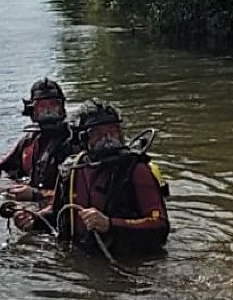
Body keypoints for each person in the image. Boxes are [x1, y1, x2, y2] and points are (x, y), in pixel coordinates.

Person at [14, 99, 169, 255]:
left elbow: (160, 226)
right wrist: (34, 220)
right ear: (82, 138)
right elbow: (58, 213)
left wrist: (110, 224)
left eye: (113, 131)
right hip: (81, 254)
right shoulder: (71, 170)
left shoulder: (136, 170)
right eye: (98, 133)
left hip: (128, 261)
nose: (108, 138)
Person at [0, 78, 75, 203]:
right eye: (42, 106)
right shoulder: (29, 141)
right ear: (32, 110)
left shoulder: (74, 141)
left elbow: (78, 194)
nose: (48, 110)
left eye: (53, 105)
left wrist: (37, 195)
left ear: (62, 107)